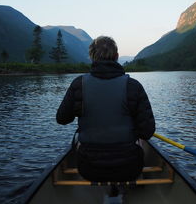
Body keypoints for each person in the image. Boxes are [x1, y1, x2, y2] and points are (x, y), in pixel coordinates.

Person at [56, 36, 155, 182]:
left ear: (92, 57)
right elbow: (147, 132)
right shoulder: (133, 86)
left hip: (88, 168)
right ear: (116, 56)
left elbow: (62, 119)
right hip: (129, 167)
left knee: (79, 140)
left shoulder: (78, 85)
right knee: (139, 141)